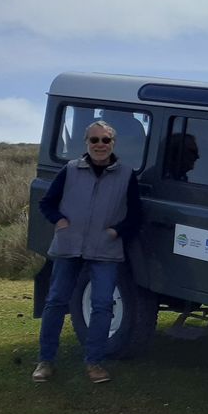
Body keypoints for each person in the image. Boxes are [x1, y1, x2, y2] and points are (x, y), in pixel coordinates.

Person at [33, 119, 143, 384]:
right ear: (86, 143)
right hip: (69, 247)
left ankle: (94, 363)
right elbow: (46, 203)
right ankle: (45, 361)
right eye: (94, 140)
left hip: (105, 249)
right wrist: (60, 221)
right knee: (56, 302)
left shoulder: (126, 175)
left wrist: (116, 232)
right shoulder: (70, 170)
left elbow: (136, 215)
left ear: (113, 143)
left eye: (106, 140)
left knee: (103, 305)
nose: (100, 145)